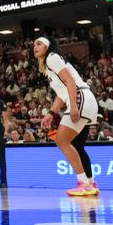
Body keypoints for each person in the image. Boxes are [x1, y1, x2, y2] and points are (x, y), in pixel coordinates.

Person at [35, 37, 99, 196]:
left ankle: (83, 183)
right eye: (33, 45)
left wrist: (75, 107)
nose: (34, 47)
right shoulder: (49, 66)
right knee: (76, 145)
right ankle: (90, 182)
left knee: (61, 140)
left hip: (80, 98)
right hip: (83, 98)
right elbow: (62, 94)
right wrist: (51, 112)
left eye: (38, 43)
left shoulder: (52, 58)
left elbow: (70, 81)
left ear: (48, 47)